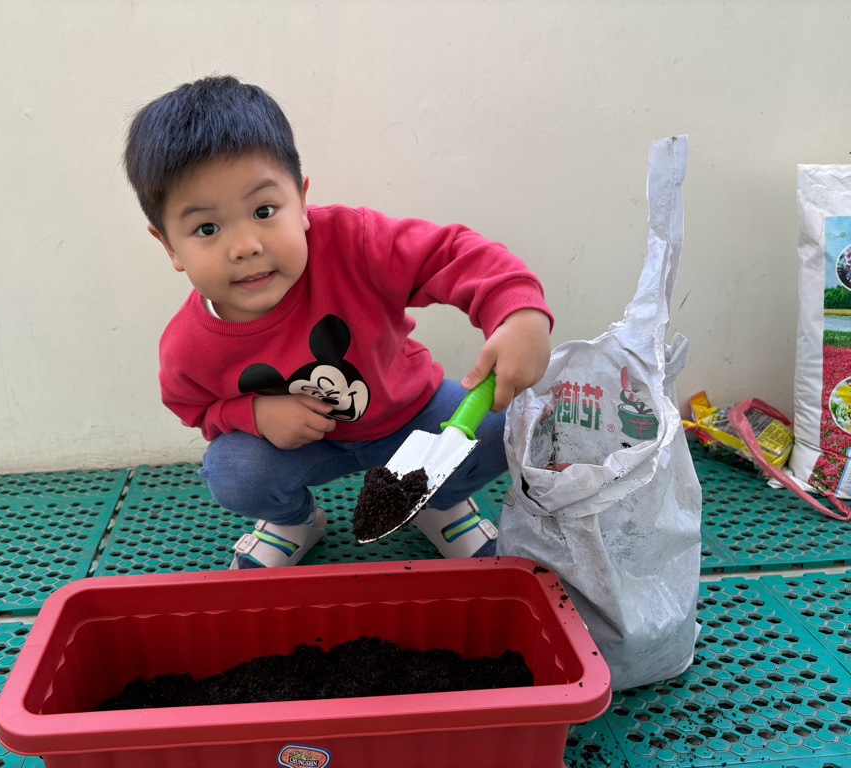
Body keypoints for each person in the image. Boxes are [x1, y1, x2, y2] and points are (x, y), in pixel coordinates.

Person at [124, 75, 553, 569]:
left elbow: (449, 254)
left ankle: (436, 500)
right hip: (302, 448)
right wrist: (254, 415)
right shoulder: (188, 346)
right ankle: (294, 521)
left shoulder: (354, 242)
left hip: (413, 414)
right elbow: (194, 408)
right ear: (169, 246)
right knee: (234, 471)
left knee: (512, 426)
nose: (245, 246)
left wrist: (516, 309)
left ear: (302, 202)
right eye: (207, 228)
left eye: (264, 210)